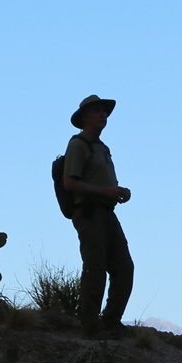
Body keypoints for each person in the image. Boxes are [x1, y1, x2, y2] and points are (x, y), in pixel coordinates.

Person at [62, 94, 134, 337]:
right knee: (95, 268)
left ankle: (112, 321)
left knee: (124, 268)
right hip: (89, 213)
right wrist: (107, 191)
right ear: (85, 117)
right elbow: (70, 183)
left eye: (104, 111)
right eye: (97, 111)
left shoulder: (102, 148)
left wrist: (117, 192)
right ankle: (90, 326)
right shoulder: (78, 145)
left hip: (107, 212)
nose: (103, 115)